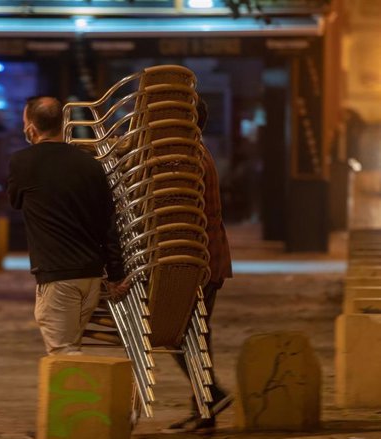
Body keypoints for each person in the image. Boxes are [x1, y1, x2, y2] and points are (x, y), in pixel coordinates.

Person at [7, 96, 129, 355]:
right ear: (62, 124)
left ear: (31, 128)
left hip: (58, 276)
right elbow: (107, 222)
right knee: (71, 348)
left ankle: (84, 397)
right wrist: (116, 274)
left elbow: (15, 200)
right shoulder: (90, 165)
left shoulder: (22, 162)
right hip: (91, 278)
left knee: (64, 356)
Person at [163, 97, 234, 434]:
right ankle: (205, 411)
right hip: (206, 258)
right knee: (195, 335)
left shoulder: (188, 156)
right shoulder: (196, 151)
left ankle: (211, 397)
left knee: (179, 333)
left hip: (199, 259)